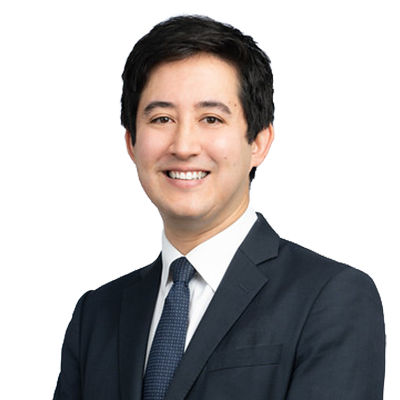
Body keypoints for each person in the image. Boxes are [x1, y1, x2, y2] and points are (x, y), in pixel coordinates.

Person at [53, 15, 386, 400]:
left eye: (211, 118)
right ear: (131, 143)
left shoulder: (332, 298)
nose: (183, 146)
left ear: (258, 143)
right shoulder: (96, 315)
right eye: (162, 118)